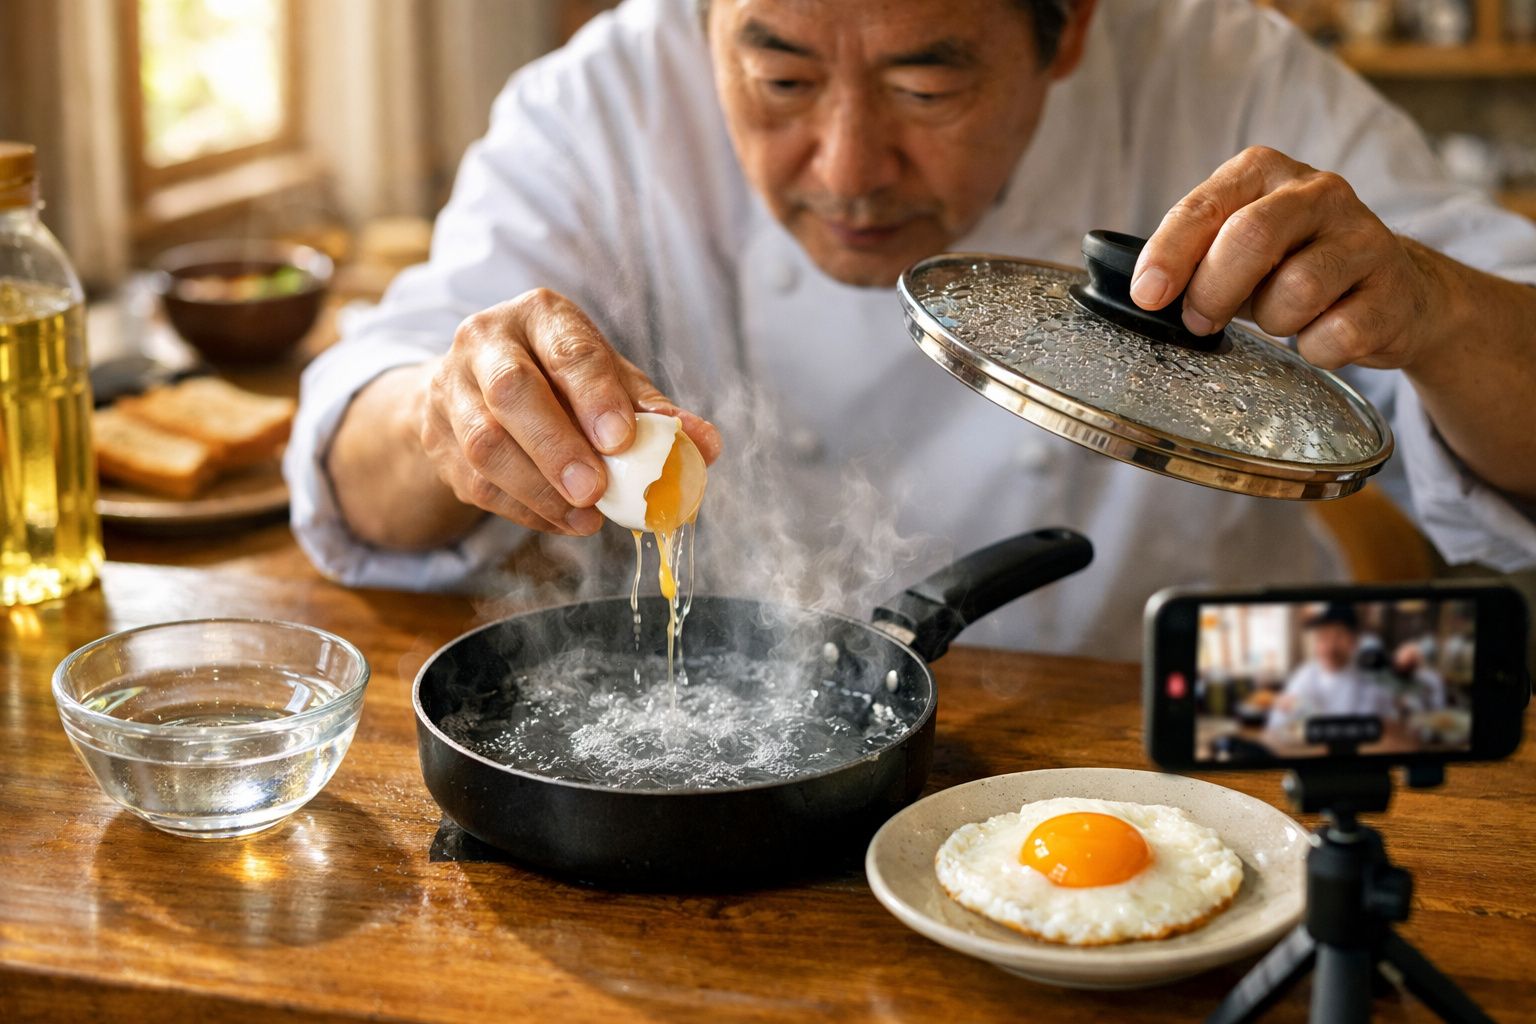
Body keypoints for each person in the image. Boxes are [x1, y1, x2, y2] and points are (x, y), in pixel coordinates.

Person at [285, 0, 1536, 658]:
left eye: (928, 87)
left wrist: (1434, 308)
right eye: (778, 78)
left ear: (1073, 25)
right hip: (748, 774)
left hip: (1173, 749)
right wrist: (450, 416)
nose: (846, 166)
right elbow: (360, 463)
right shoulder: (605, 97)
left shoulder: (1222, 67)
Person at [1265, 604, 1398, 736]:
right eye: (1323, 637)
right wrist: (1286, 711)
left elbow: (1389, 725)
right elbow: (1276, 725)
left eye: (1339, 636)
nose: (1330, 646)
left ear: (1354, 641)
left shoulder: (1370, 678)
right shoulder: (1305, 675)